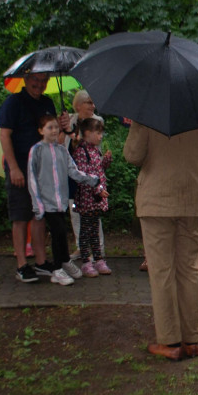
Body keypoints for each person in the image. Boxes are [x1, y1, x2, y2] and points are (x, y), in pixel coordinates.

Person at [124, 121, 198, 361]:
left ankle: (170, 341)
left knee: (162, 270)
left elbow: (132, 155)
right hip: (193, 197)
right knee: (189, 267)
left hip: (157, 199)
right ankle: (191, 340)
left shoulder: (148, 113)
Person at [0, 71, 71, 283]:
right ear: (26, 80)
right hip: (20, 166)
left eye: (43, 80)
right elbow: (4, 135)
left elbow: (54, 137)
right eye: (35, 80)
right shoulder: (13, 103)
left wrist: (64, 127)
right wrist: (13, 167)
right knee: (21, 215)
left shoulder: (47, 102)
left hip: (43, 168)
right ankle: (22, 265)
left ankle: (41, 261)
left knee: (40, 214)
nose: (39, 84)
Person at [27, 115, 102, 285]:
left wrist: (91, 179)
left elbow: (73, 171)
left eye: (56, 127)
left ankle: (64, 261)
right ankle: (56, 269)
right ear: (41, 131)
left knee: (61, 232)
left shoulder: (61, 150)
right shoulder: (36, 150)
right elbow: (32, 178)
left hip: (60, 201)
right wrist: (37, 204)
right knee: (58, 232)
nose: (54, 131)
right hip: (46, 201)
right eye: (49, 128)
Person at [68, 89, 106, 261]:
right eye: (89, 102)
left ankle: (99, 249)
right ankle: (81, 247)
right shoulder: (69, 121)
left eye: (93, 102)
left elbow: (95, 147)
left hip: (92, 176)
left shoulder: (97, 121)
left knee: (93, 213)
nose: (93, 106)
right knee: (75, 211)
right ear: (78, 105)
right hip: (74, 175)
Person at [72, 117, 112, 277]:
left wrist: (106, 161)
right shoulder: (81, 152)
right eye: (98, 133)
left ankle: (98, 259)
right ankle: (86, 261)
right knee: (85, 230)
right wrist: (98, 189)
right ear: (87, 133)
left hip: (96, 199)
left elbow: (98, 169)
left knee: (94, 230)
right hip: (86, 199)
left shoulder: (95, 150)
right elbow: (84, 175)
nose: (100, 136)